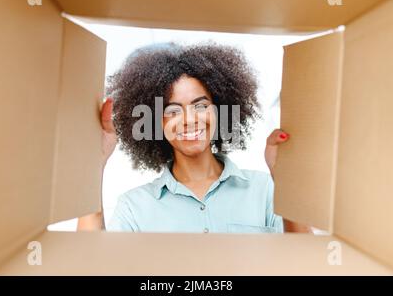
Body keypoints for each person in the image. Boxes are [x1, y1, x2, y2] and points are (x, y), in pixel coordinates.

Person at [78, 42, 311, 233]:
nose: (189, 119)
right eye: (172, 111)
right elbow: (89, 264)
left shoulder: (265, 190)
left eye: (200, 105)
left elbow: (306, 263)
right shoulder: (135, 207)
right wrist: (92, 162)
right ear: (156, 122)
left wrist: (286, 180)